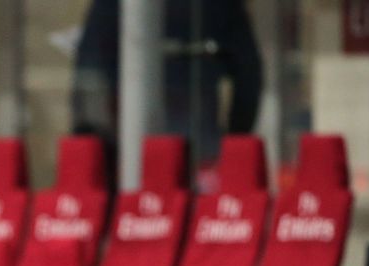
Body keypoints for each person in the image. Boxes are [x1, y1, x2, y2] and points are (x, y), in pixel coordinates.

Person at [72, 0, 263, 187]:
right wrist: (236, 138)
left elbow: (90, 70)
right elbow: (248, 72)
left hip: (166, 135)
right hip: (192, 138)